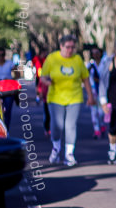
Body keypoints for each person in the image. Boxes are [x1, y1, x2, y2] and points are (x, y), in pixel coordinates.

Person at [40, 35, 96, 166]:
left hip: (74, 97)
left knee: (70, 126)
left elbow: (85, 78)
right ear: (61, 46)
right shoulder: (52, 58)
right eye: (67, 47)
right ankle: (56, 148)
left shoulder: (77, 59)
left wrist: (90, 96)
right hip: (55, 98)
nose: (70, 50)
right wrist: (47, 82)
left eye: (73, 47)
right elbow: (43, 76)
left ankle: (69, 154)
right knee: (56, 125)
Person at [87, 48, 107, 139]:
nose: (95, 55)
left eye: (97, 53)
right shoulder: (90, 65)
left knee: (101, 112)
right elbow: (85, 76)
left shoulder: (105, 63)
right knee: (94, 111)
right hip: (93, 91)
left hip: (103, 91)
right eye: (93, 53)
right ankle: (96, 130)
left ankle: (102, 124)